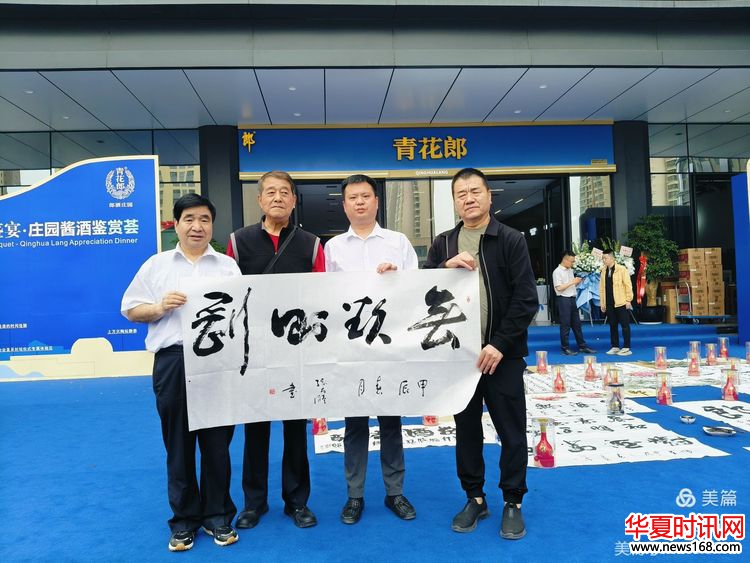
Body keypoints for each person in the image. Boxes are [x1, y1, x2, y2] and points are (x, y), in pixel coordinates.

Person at [121, 194, 240, 552]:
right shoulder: (157, 266)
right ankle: (184, 520)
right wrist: (160, 307)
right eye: (189, 219)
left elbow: (242, 314)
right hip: (173, 360)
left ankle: (217, 516)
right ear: (176, 224)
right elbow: (130, 309)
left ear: (212, 225)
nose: (197, 226)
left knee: (217, 444)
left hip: (218, 362)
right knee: (178, 445)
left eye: (204, 219)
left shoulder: (227, 267)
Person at [424, 167, 538, 540]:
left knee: (511, 432)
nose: (469, 198)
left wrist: (499, 344)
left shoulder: (510, 239)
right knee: (467, 431)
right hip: (460, 359)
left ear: (489, 196)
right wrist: (444, 268)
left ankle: (513, 501)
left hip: (502, 355)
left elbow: (526, 299)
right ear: (454, 201)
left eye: (475, 191)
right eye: (461, 193)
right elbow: (423, 290)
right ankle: (474, 497)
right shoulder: (443, 243)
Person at [227, 170, 325, 530]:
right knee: (255, 428)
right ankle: (254, 503)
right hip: (254, 352)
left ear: (294, 200)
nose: (278, 198)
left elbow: (322, 297)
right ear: (259, 199)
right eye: (271, 192)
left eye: (285, 192)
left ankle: (297, 501)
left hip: (296, 351)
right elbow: (230, 296)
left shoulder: (311, 244)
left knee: (295, 429)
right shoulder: (238, 242)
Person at [325, 174, 418, 525]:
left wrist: (397, 278)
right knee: (354, 425)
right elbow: (324, 297)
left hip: (389, 347)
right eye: (353, 197)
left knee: (391, 422)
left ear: (377, 202)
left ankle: (395, 492)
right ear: (344, 205)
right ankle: (355, 495)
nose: (360, 202)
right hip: (351, 350)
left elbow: (417, 288)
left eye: (366, 196)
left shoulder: (398, 242)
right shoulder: (333, 248)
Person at [552, 250, 595, 355]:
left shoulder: (570, 270)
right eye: (571, 261)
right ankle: (565, 348)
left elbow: (571, 285)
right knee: (565, 324)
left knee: (577, 324)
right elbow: (559, 288)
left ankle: (582, 346)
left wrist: (578, 282)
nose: (573, 263)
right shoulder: (557, 272)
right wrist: (572, 282)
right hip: (563, 299)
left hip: (572, 299)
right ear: (565, 259)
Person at [599, 249, 634, 356]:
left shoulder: (622, 269)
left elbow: (628, 285)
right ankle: (615, 346)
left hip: (621, 302)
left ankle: (627, 347)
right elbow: (602, 288)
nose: (604, 260)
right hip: (609, 302)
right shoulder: (603, 271)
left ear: (612, 258)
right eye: (603, 258)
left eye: (606, 258)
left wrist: (628, 300)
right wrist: (602, 303)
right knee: (612, 325)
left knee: (624, 325)